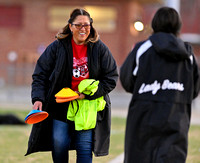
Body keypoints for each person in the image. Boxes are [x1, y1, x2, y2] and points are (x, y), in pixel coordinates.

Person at [25, 8, 118, 163]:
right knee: (59, 143)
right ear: (70, 26)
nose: (83, 29)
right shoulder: (57, 47)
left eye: (87, 25)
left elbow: (111, 78)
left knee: (84, 147)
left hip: (86, 106)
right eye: (78, 25)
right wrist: (38, 98)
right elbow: (40, 74)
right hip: (61, 105)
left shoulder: (99, 48)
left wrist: (86, 95)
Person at [120, 7, 200, 163]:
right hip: (177, 115)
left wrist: (147, 89)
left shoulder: (142, 48)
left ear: (154, 24)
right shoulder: (189, 55)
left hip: (144, 115)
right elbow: (194, 89)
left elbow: (126, 80)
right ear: (178, 26)